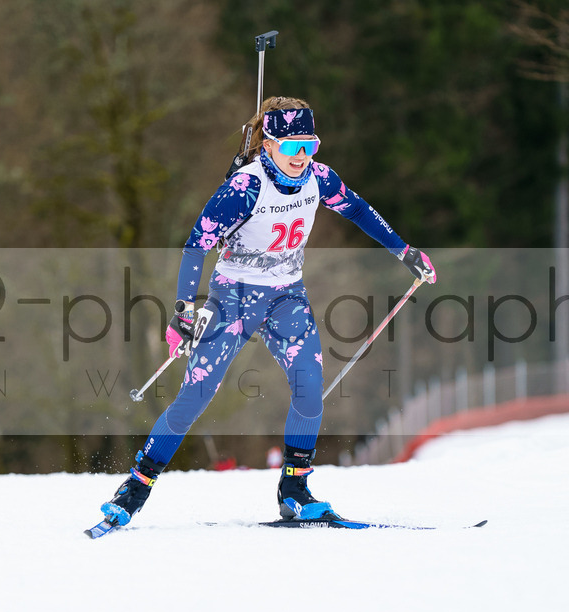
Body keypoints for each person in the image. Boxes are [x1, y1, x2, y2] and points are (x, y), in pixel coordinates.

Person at [97, 96, 436, 527]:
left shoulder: (319, 179)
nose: (301, 156)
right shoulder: (245, 188)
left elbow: (357, 209)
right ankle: (135, 488)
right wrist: (183, 310)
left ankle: (295, 490)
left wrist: (405, 251)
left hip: (287, 297)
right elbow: (197, 244)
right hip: (234, 296)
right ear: (269, 144)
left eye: (310, 145)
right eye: (292, 147)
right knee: (196, 395)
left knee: (309, 387)